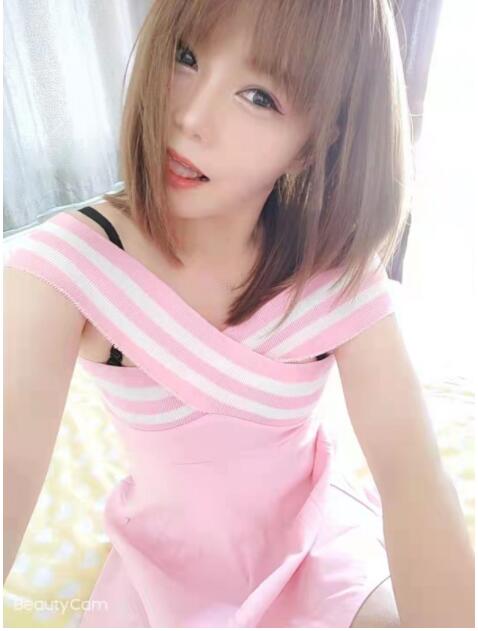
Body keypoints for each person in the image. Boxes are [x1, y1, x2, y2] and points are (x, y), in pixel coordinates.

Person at [4, 0, 474, 627]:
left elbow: (412, 473)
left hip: (317, 546)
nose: (190, 117)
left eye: (259, 97)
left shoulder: (333, 274)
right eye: (186, 56)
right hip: (167, 571)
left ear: (314, 144)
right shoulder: (68, 267)